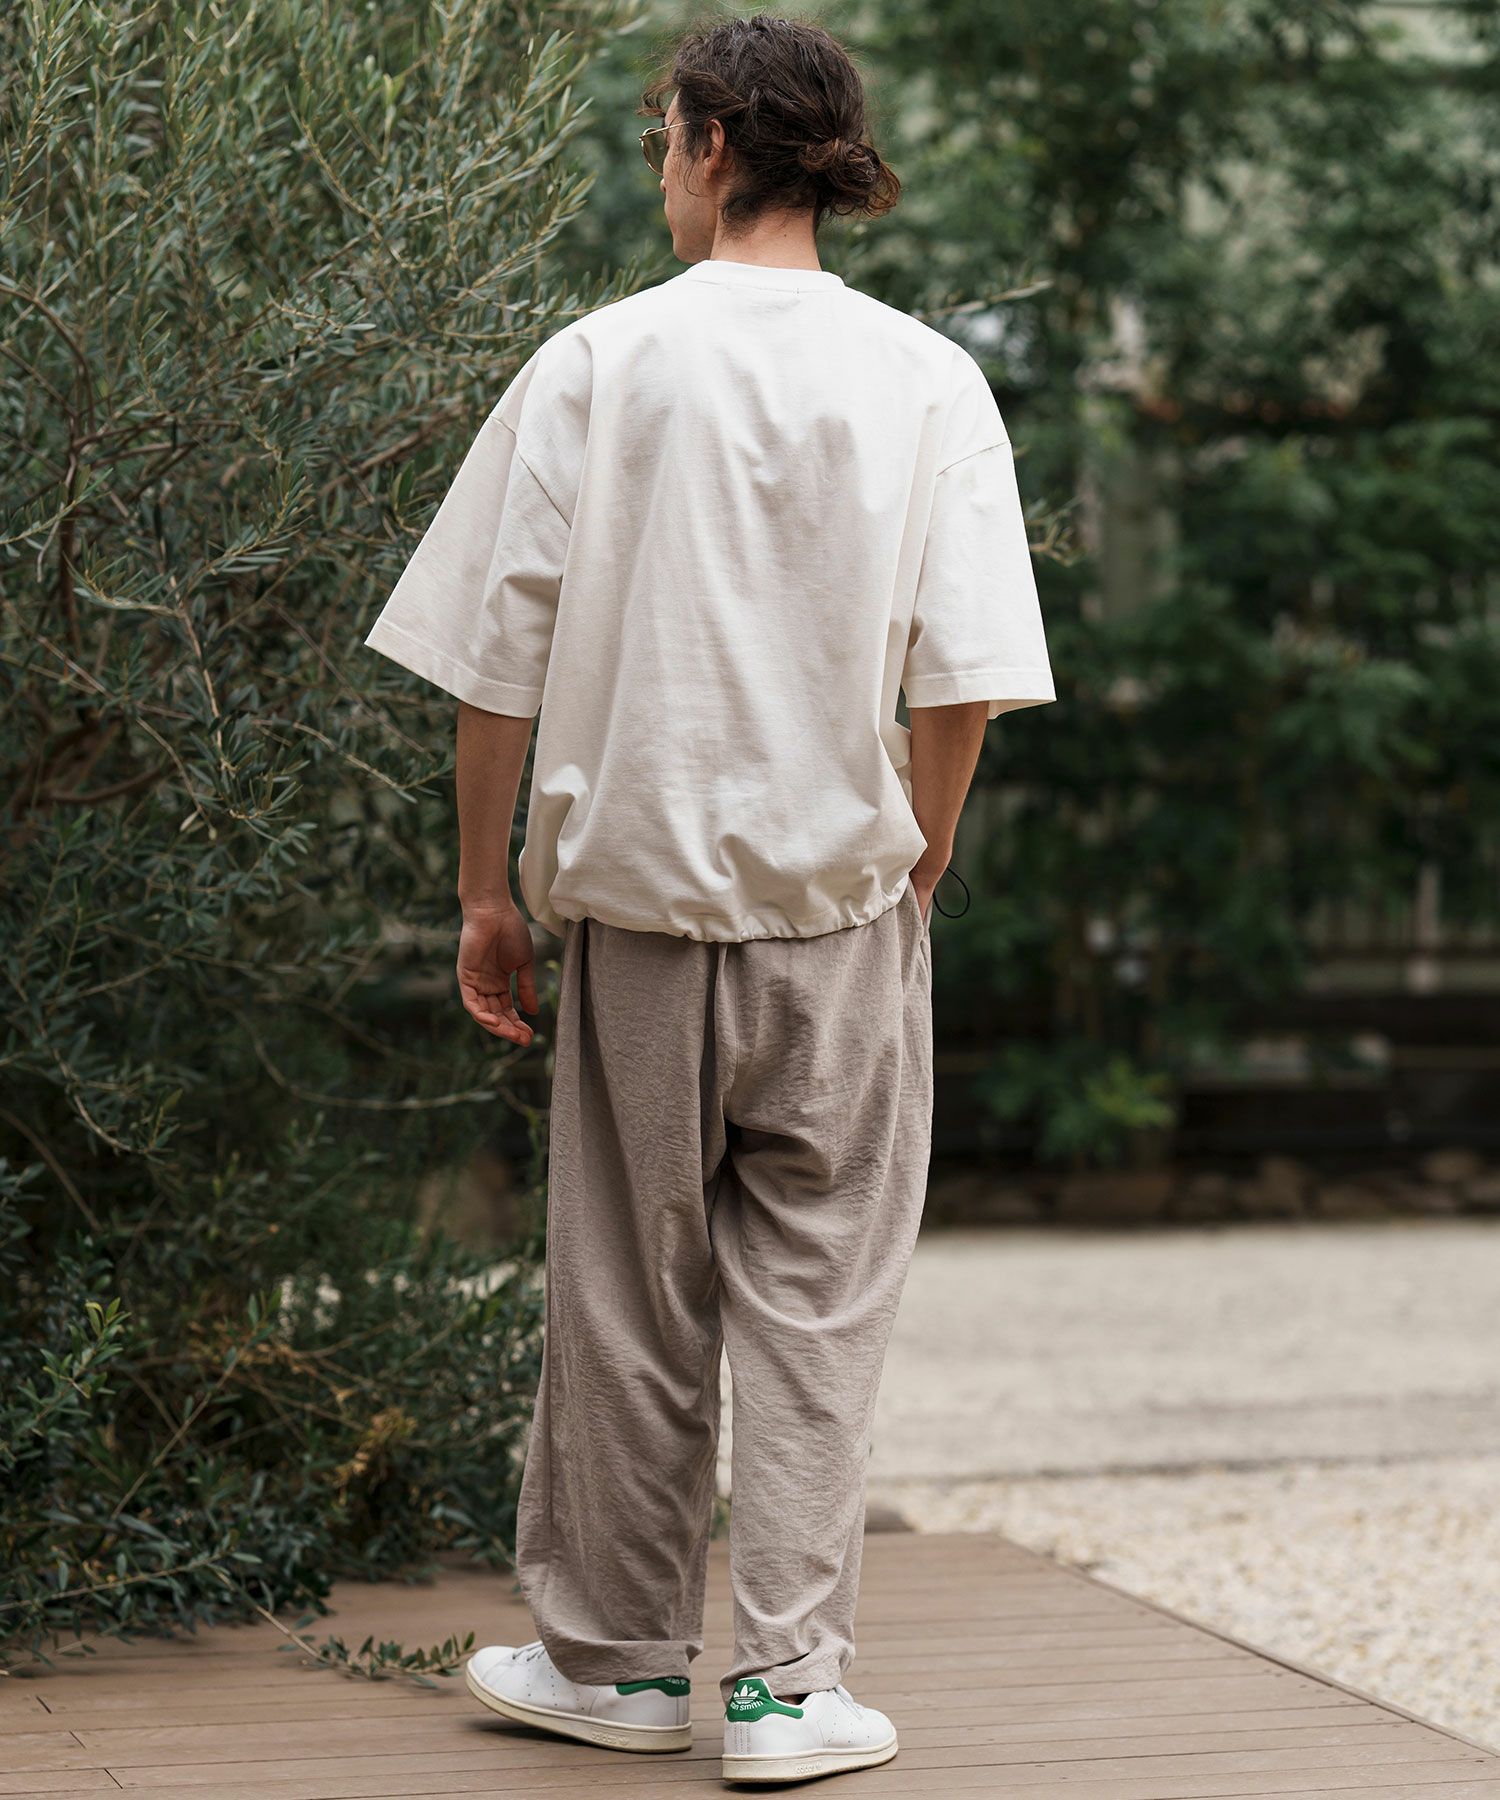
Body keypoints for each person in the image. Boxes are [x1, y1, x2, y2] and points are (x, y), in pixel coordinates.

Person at [363, 13, 1055, 1785]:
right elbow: (962, 681)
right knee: (820, 1309)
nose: (660, 164)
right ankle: (790, 1693)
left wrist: (484, 894)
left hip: (641, 930)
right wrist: (921, 854)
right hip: (841, 925)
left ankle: (615, 1667)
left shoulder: (601, 362)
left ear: (715, 142)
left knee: (627, 1301)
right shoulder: (929, 381)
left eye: (665, 134)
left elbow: (494, 670)